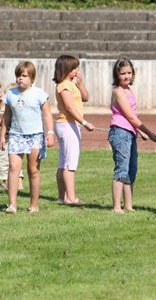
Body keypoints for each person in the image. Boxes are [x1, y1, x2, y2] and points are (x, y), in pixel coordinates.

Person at [0, 61, 54, 213]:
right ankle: (12, 204)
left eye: (24, 76)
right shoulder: (10, 94)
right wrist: (2, 135)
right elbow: (7, 115)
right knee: (13, 168)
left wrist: (50, 133)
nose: (20, 79)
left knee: (33, 170)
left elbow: (47, 114)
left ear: (32, 78)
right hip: (16, 135)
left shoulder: (39, 94)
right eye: (18, 76)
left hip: (35, 136)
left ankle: (34, 205)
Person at [109, 57, 156, 213]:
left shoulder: (128, 90)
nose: (126, 76)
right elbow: (129, 116)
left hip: (130, 133)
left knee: (132, 169)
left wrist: (138, 132)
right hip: (120, 133)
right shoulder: (118, 92)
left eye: (129, 73)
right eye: (123, 73)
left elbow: (131, 117)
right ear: (117, 75)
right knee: (121, 169)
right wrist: (149, 133)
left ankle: (128, 205)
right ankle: (117, 206)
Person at [53, 55, 94, 205]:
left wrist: (80, 84)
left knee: (64, 162)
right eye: (74, 68)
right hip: (67, 124)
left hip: (69, 125)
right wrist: (84, 122)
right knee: (70, 163)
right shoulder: (63, 85)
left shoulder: (71, 83)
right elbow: (69, 107)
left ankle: (61, 197)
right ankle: (70, 198)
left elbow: (85, 97)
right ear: (66, 69)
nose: (77, 70)